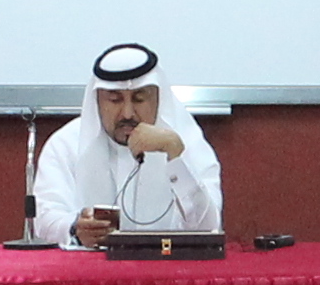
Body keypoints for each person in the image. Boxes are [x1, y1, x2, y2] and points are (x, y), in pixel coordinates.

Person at [33, 42, 224, 243]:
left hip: (166, 269)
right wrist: (74, 229)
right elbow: (45, 219)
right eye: (115, 100)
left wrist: (176, 160)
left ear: (158, 98)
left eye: (140, 99)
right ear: (97, 100)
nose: (127, 113)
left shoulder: (186, 141)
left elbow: (208, 228)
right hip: (90, 269)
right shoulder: (65, 144)